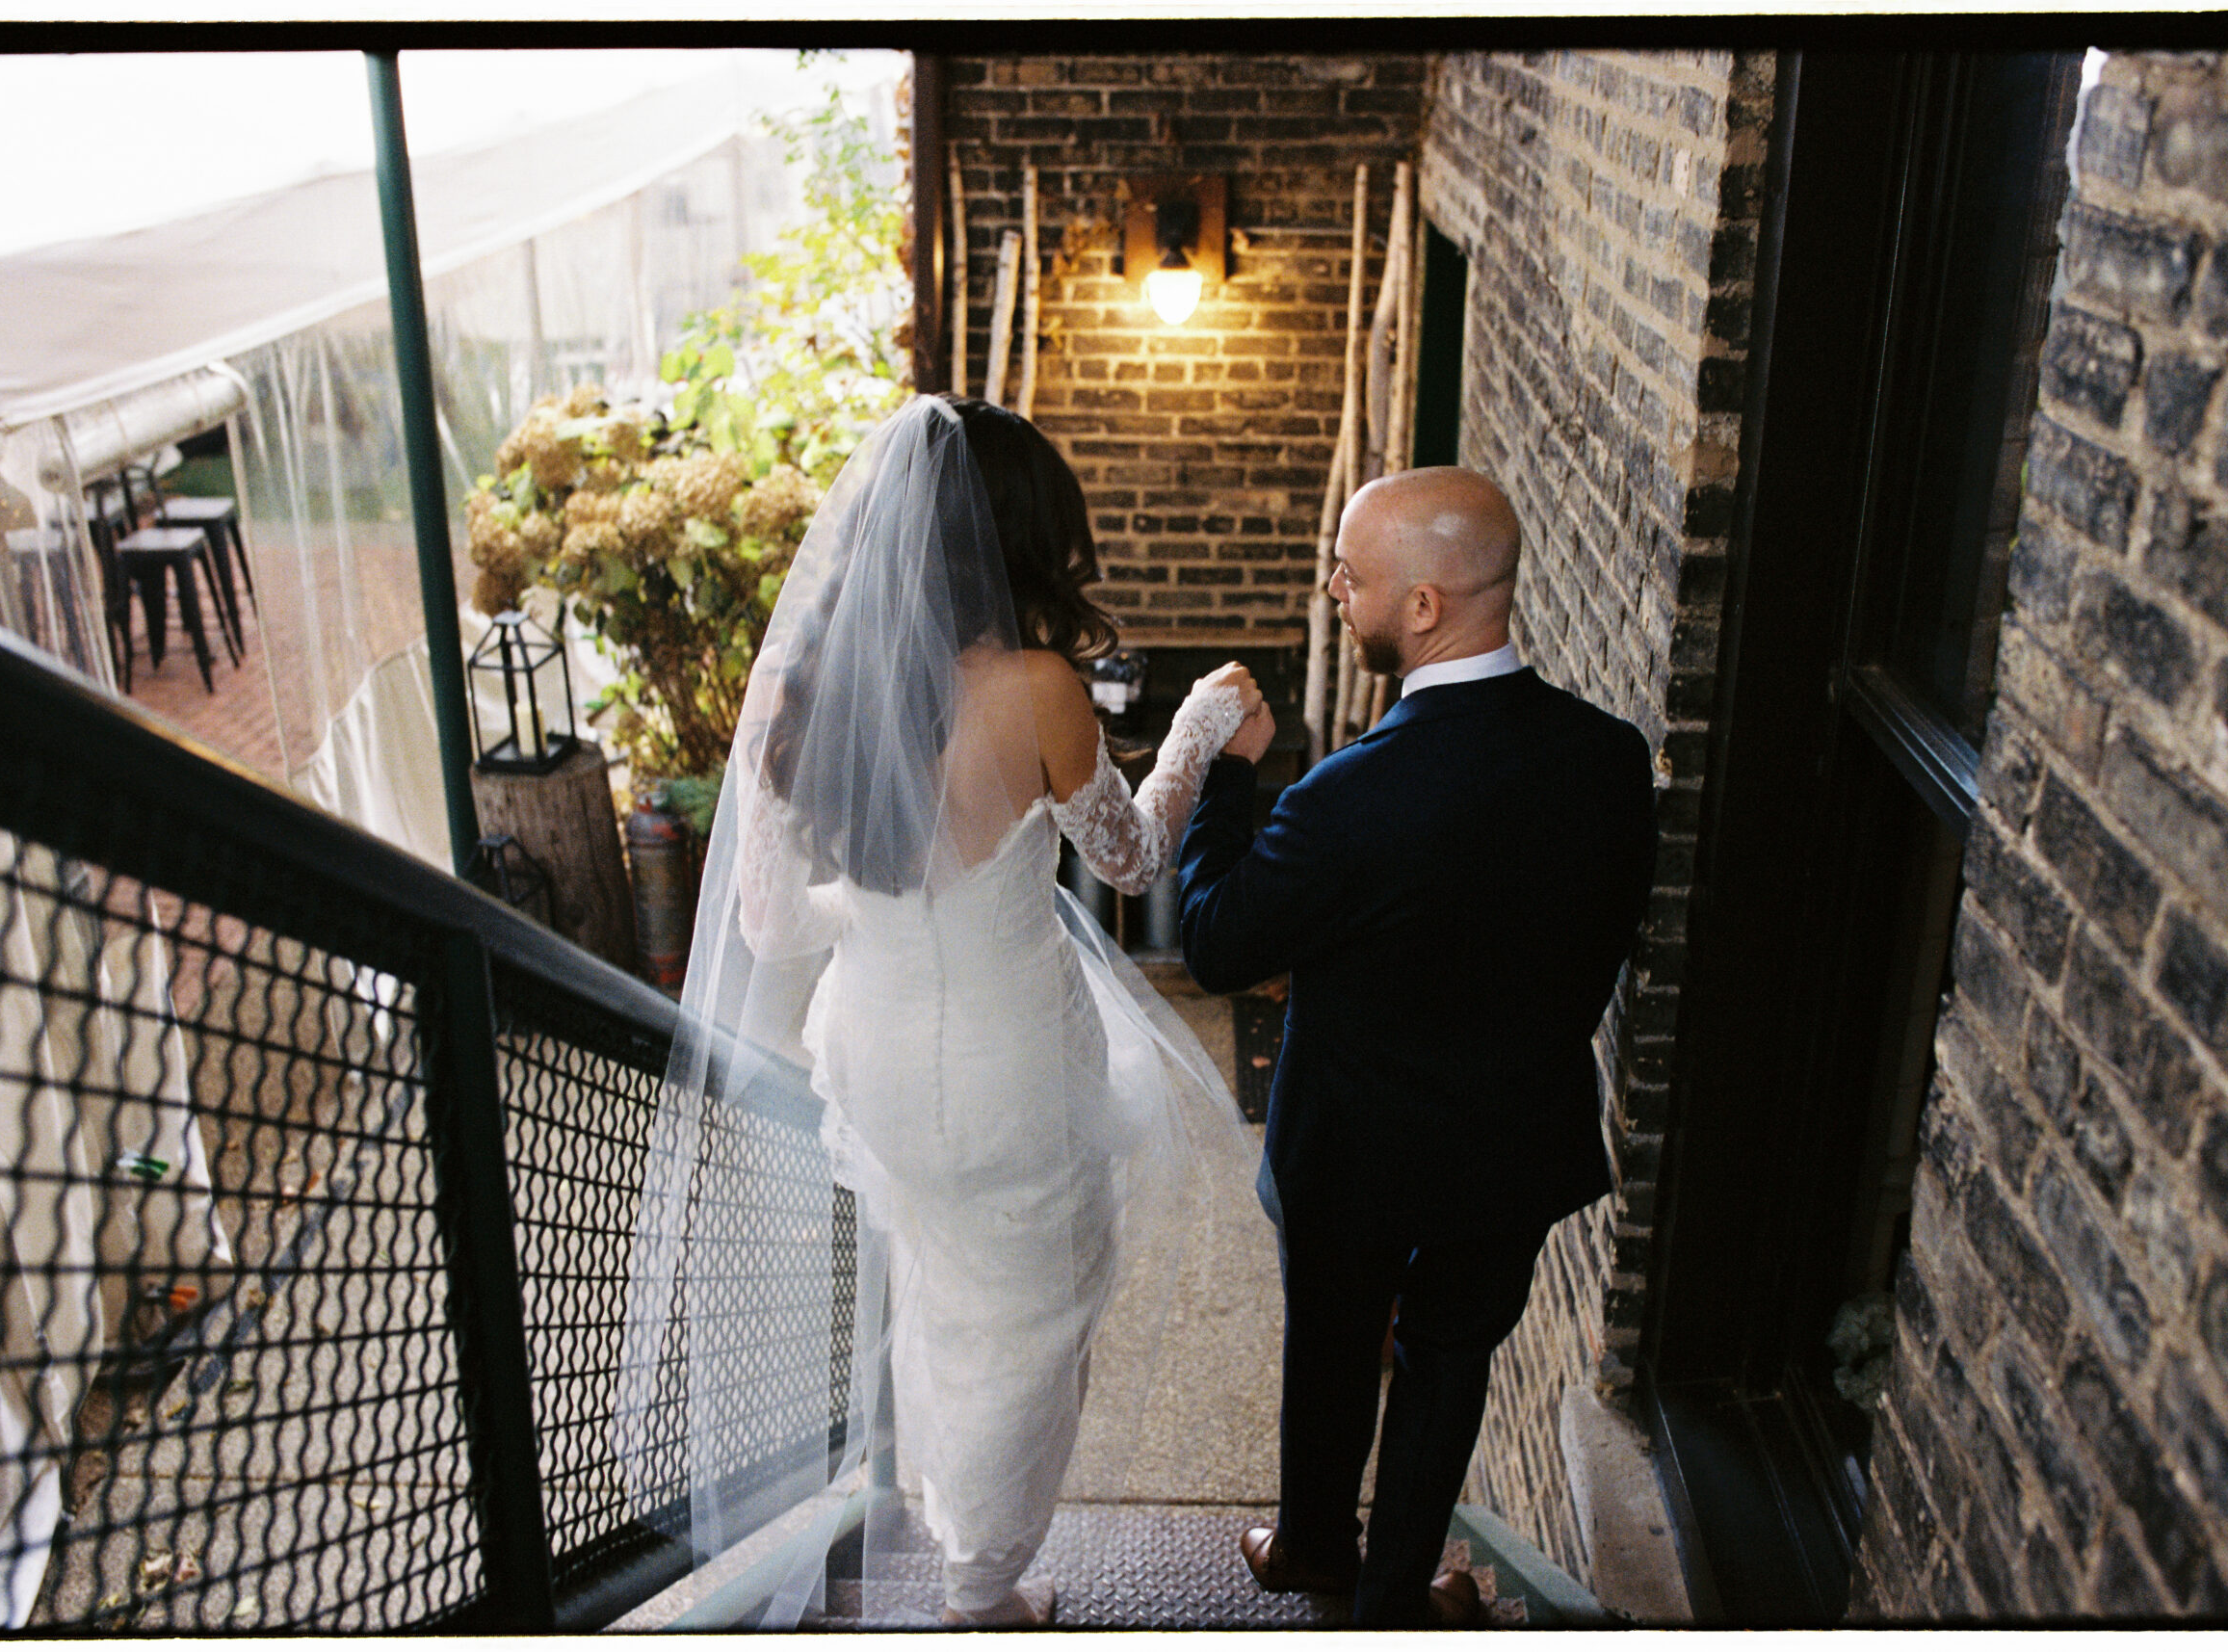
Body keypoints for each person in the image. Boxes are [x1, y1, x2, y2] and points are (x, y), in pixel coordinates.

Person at [616, 395, 1260, 1628]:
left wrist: (880, 908)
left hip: (877, 1051)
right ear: (1010, 545)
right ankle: (977, 1589)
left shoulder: (807, 688)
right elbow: (1128, 859)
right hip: (1016, 1063)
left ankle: (939, 1502)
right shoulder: (1036, 687)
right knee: (1032, 1319)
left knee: (942, 1283)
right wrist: (1198, 724)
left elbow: (770, 926)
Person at [1176, 466, 1658, 1627]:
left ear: (1427, 605)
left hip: (1350, 1144)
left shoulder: (1347, 796)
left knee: (1333, 1350)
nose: (1335, 587)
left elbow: (1215, 942)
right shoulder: (1610, 754)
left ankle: (1308, 1549)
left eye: (1353, 569)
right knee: (1450, 1364)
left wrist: (1230, 775)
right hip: (1510, 1137)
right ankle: (1395, 1597)